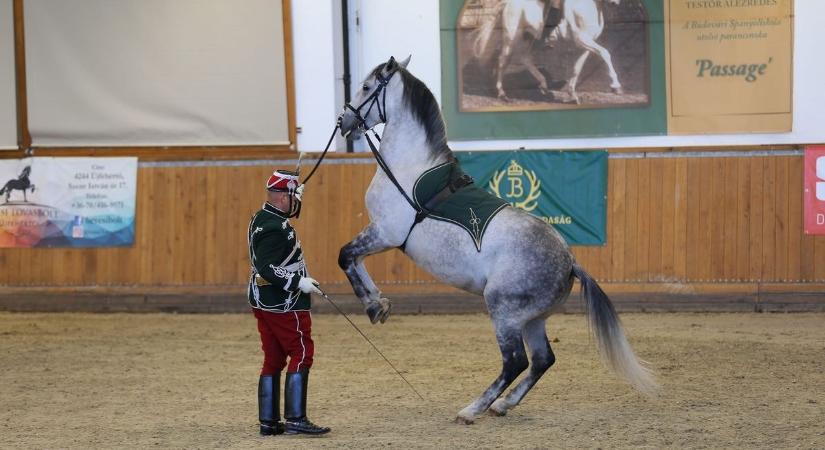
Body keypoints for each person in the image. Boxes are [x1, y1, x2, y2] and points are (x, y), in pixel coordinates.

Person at [247, 169, 330, 436]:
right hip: (284, 301)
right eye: (293, 196)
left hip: (264, 301)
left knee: (273, 358)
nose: (297, 202)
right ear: (283, 198)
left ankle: (269, 422)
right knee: (302, 352)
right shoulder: (274, 228)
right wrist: (298, 282)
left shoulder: (263, 217)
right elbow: (267, 267)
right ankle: (296, 418)